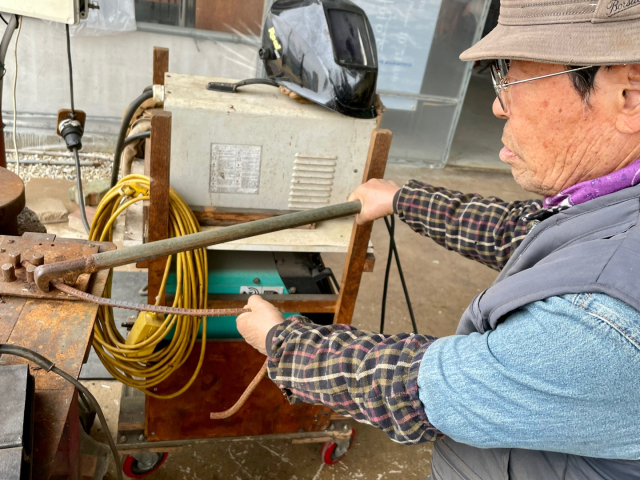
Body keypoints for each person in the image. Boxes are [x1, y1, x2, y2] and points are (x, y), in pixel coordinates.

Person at [236, 0, 640, 477]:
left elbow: (420, 388)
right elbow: (522, 232)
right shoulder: (612, 203)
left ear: (627, 95)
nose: (496, 104)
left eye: (510, 76)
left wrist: (283, 341)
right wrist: (402, 199)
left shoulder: (603, 325)